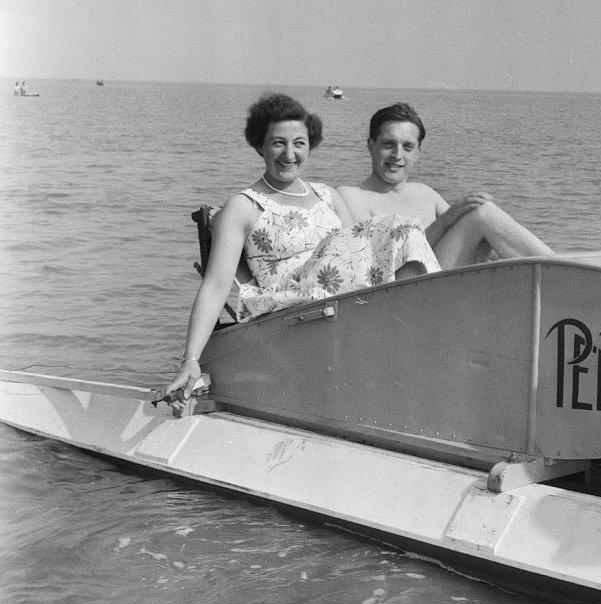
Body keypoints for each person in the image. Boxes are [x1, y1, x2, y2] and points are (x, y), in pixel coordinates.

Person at [164, 93, 439, 399]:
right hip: (294, 302)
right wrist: (190, 360)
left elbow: (358, 252)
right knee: (400, 228)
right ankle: (416, 350)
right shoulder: (243, 207)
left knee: (403, 228)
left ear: (310, 146)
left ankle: (412, 344)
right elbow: (216, 285)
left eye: (299, 143)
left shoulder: (328, 195)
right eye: (278, 143)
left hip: (342, 295)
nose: (289, 154)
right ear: (260, 145)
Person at [338, 103, 553, 269]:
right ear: (370, 145)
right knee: (481, 214)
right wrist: (448, 218)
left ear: (418, 153)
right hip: (402, 296)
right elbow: (374, 263)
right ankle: (566, 275)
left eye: (408, 147)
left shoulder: (424, 193)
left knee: (482, 214)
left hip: (447, 287)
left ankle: (561, 272)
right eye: (388, 144)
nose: (397, 155)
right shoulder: (350, 196)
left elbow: (481, 242)